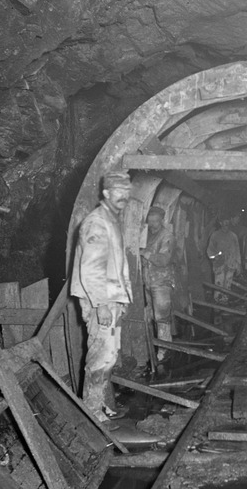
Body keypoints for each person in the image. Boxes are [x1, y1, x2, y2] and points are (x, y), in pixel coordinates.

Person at [70, 171, 134, 424]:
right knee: (100, 358)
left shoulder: (111, 220)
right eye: (119, 192)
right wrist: (102, 305)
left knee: (109, 356)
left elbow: (116, 267)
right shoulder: (97, 222)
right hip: (100, 302)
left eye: (127, 193)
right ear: (106, 193)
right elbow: (92, 269)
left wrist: (122, 300)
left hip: (110, 300)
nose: (124, 198)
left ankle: (99, 406)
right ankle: (91, 414)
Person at [140, 205, 175, 364]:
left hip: (161, 282)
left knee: (162, 317)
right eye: (150, 221)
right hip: (148, 281)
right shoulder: (145, 235)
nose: (153, 224)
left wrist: (145, 254)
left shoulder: (167, 235)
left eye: (156, 221)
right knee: (151, 315)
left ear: (162, 220)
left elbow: (164, 259)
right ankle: (154, 347)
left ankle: (165, 350)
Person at [207, 214, 242, 302]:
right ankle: (217, 306)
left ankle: (225, 305)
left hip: (230, 265)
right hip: (219, 266)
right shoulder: (215, 235)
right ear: (220, 223)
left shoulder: (233, 236)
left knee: (228, 286)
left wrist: (238, 264)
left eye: (227, 222)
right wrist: (216, 258)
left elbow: (237, 251)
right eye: (224, 222)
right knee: (218, 286)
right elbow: (210, 251)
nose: (226, 224)